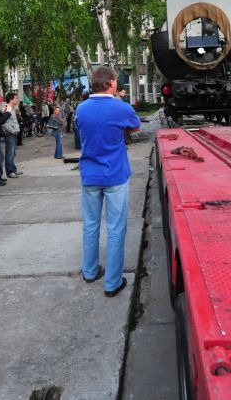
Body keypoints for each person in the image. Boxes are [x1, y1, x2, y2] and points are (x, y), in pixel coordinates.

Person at [75, 66, 141, 297]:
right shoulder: (120, 107)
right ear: (111, 82)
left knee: (90, 225)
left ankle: (90, 271)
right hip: (114, 175)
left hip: (90, 175)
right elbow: (135, 126)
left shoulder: (81, 109)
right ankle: (112, 283)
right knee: (115, 229)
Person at [2, 93, 22, 177]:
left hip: (13, 133)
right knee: (10, 153)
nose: (17, 100)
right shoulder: (7, 109)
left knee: (13, 153)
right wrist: (13, 131)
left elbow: (13, 121)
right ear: (11, 99)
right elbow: (4, 123)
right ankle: (10, 172)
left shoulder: (13, 108)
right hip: (10, 134)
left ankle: (13, 169)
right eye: (15, 98)